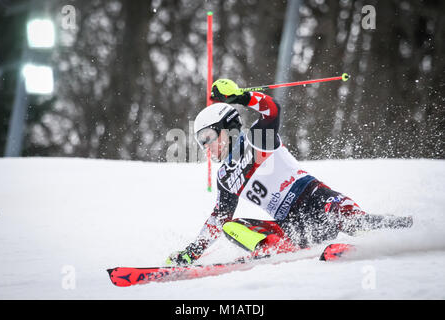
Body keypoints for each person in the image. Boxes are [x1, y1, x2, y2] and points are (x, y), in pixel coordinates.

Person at [166, 79, 413, 265]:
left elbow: (272, 109)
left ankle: (413, 228)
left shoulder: (256, 140)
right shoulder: (225, 178)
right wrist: (190, 254)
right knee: (231, 226)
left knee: (357, 223)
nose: (206, 147)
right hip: (291, 227)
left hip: (318, 201)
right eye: (201, 142)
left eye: (208, 137)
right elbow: (218, 220)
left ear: (228, 127)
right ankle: (276, 249)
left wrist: (242, 97)